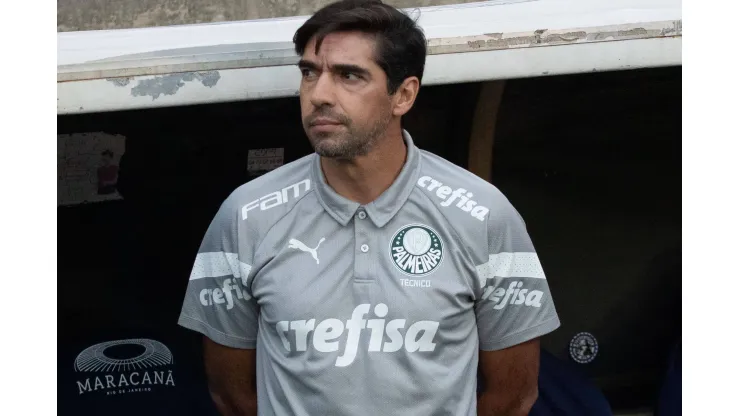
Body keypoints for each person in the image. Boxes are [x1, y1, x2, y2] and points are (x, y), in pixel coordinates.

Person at [177, 1, 560, 415]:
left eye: (349, 75)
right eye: (309, 73)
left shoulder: (484, 215)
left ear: (404, 95)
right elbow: (231, 395)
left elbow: (513, 396)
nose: (319, 95)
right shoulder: (245, 215)